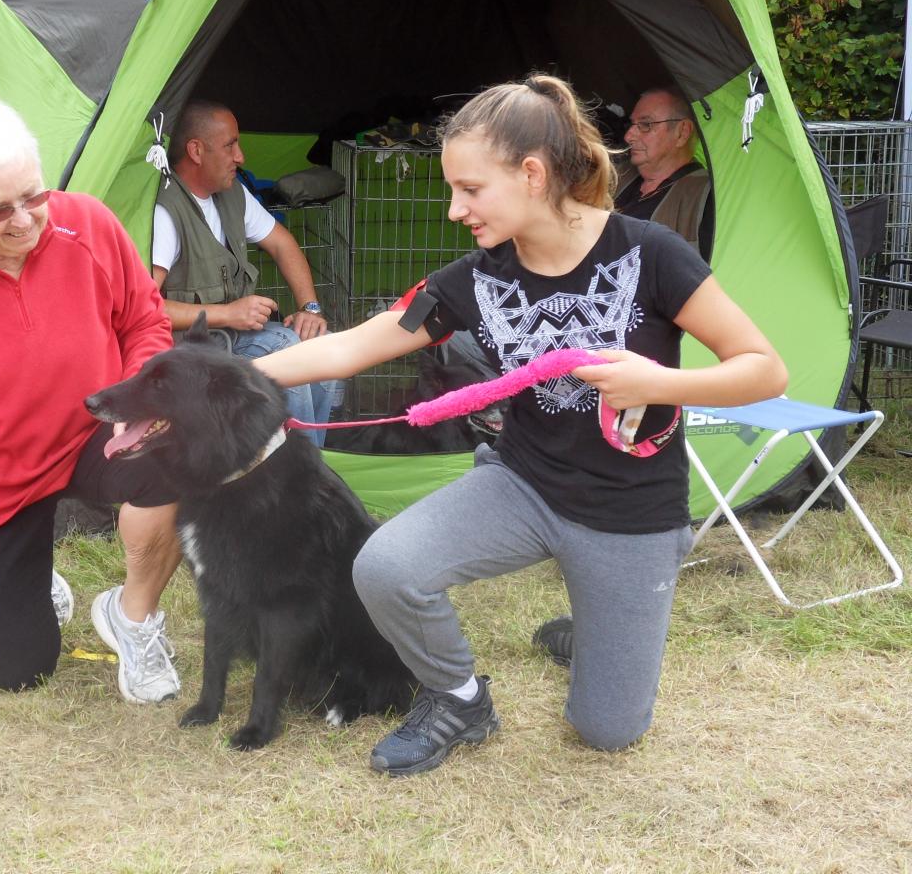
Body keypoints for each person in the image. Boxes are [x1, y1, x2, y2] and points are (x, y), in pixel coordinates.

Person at [254, 74, 787, 776]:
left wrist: (657, 382)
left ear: (532, 173)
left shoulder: (650, 252)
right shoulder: (474, 280)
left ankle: (592, 632)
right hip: (524, 486)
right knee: (387, 566)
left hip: (632, 511)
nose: (455, 211)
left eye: (470, 190)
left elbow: (763, 369)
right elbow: (354, 344)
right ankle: (459, 700)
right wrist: (235, 378)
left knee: (607, 732)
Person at [0, 90, 183, 701]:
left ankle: (134, 617)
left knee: (179, 455)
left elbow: (144, 323)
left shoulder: (90, 223)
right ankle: (34, 582)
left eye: (35, 196)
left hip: (95, 434)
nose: (24, 219)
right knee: (22, 674)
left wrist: (141, 401)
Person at [152, 100, 338, 446]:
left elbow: (283, 244)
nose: (241, 157)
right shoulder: (167, 211)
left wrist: (310, 308)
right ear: (196, 150)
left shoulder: (231, 193)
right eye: (230, 145)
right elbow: (147, 309)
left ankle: (314, 461)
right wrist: (227, 313)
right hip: (193, 353)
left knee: (319, 345)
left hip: (232, 339)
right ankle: (295, 475)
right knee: (287, 352)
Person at [615, 85, 714, 257]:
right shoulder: (620, 173)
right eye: (631, 124)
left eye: (646, 124)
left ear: (682, 133)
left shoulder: (704, 198)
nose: (628, 136)